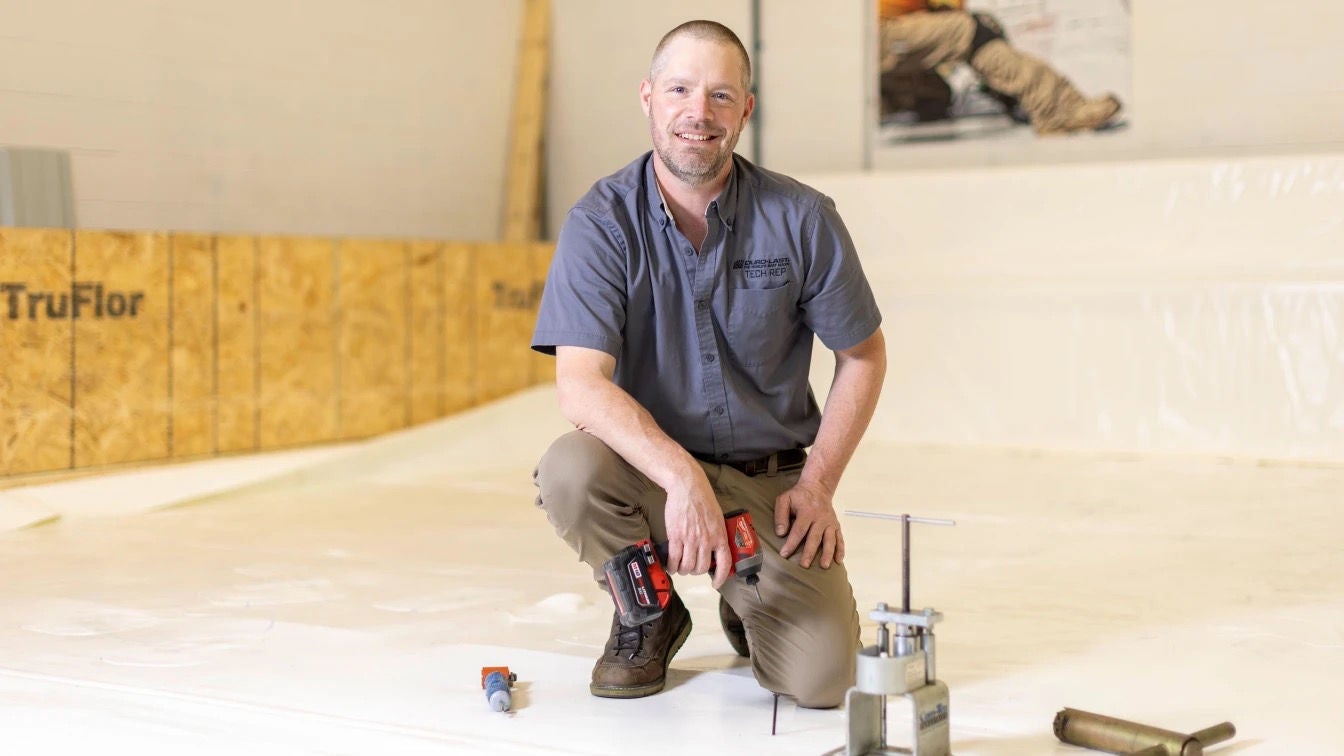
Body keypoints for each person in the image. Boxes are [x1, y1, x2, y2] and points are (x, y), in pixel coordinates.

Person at [530, 20, 886, 709]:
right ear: (648, 97)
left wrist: (817, 486)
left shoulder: (802, 217)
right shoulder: (600, 223)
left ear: (746, 110)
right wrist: (682, 477)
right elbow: (580, 385)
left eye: (722, 96)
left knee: (823, 683)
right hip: (653, 481)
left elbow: (862, 355)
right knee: (571, 470)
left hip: (769, 486)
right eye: (681, 89)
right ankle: (650, 611)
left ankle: (745, 594)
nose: (699, 112)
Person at [879, 0, 1122, 134]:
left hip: (862, 49)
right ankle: (1059, 109)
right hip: (879, 35)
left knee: (935, 97)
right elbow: (958, 18)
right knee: (969, 30)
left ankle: (889, 105)